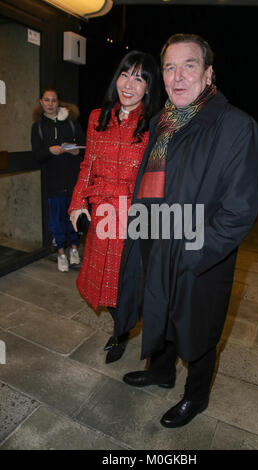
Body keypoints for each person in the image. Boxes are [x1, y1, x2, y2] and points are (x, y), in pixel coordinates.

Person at [114, 33, 258, 428]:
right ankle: (161, 373)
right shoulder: (163, 121)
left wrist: (193, 253)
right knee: (159, 312)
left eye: (189, 65)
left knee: (198, 329)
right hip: (155, 240)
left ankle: (195, 396)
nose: (178, 76)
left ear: (209, 73)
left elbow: (239, 210)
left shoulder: (235, 126)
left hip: (199, 254)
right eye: (169, 67)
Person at [68, 50, 161, 364]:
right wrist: (77, 204)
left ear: (149, 87)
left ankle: (121, 333)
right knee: (102, 284)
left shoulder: (154, 125)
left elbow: (155, 181)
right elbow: (87, 166)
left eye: (139, 78)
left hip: (132, 219)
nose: (129, 84)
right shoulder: (98, 117)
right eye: (125, 74)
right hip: (100, 215)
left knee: (127, 286)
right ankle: (119, 329)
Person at [31, 88, 86, 272]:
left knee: (74, 218)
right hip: (52, 182)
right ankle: (61, 253)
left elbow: (84, 147)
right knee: (56, 220)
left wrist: (77, 151)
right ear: (41, 102)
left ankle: (74, 249)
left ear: (58, 102)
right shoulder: (38, 127)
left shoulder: (71, 123)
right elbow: (37, 155)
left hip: (72, 180)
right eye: (46, 100)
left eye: (53, 100)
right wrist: (49, 151)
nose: (50, 103)